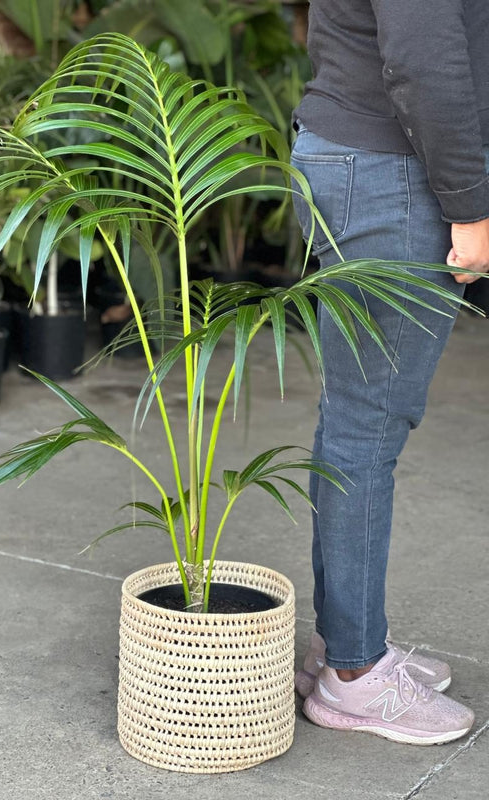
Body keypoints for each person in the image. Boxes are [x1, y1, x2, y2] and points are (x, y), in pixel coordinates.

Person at [289, 0, 489, 745]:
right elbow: (422, 51)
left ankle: (344, 644)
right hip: (391, 174)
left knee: (357, 417)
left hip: (368, 161)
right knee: (367, 425)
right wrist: (471, 208)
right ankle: (354, 677)